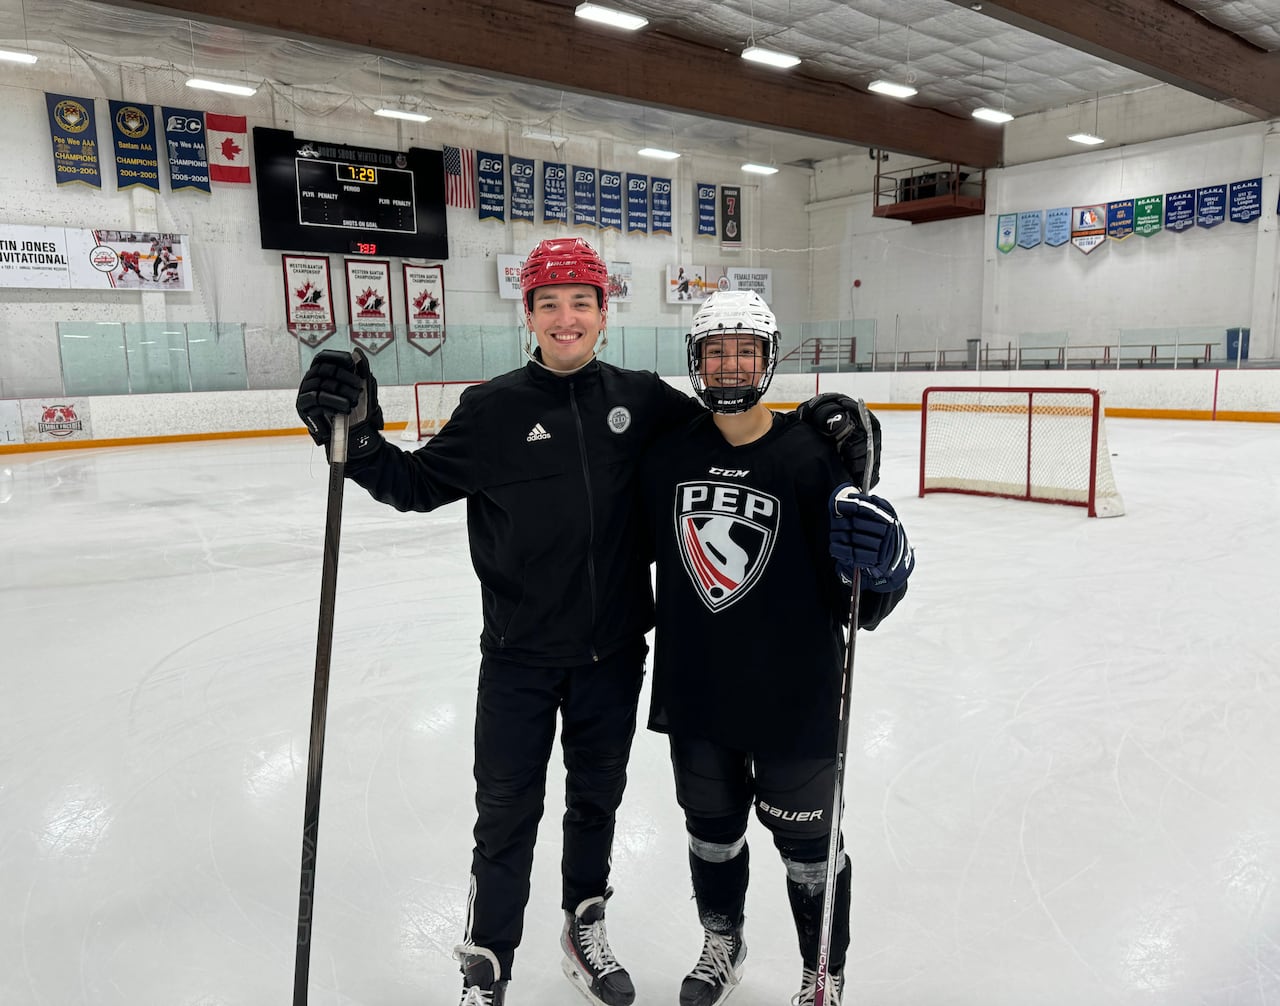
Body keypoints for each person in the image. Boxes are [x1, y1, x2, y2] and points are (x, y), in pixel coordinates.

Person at [296, 237, 707, 1006]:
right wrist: (350, 433)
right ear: (528, 315)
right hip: (518, 656)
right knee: (507, 812)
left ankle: (584, 926)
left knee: (597, 799)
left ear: (603, 313)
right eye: (548, 303)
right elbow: (415, 484)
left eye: (580, 301)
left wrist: (815, 435)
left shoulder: (644, 401)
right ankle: (490, 960)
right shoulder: (493, 410)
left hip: (615, 652)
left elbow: (727, 443)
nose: (565, 317)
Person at [637, 291, 913, 1006]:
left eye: (746, 350)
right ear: (695, 362)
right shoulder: (667, 454)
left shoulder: (812, 457)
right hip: (697, 692)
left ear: (770, 357)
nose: (731, 365)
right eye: (716, 351)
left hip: (796, 697)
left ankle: (823, 972)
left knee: (809, 854)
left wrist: (888, 567)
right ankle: (722, 940)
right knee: (711, 835)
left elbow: (862, 601)